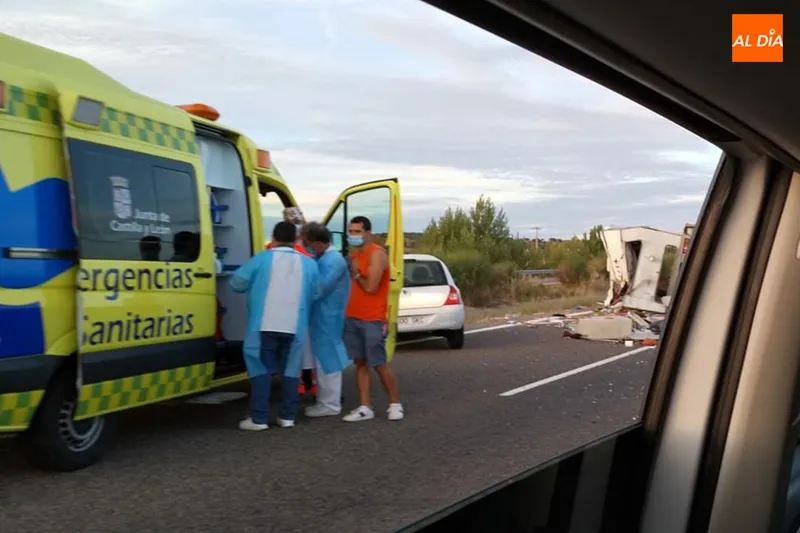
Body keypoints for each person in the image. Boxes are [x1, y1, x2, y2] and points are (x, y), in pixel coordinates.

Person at [230, 221, 319, 431]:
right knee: (291, 371)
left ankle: (258, 419)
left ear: (273, 238)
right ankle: (287, 417)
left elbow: (236, 283)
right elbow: (315, 293)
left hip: (264, 325)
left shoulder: (260, 259)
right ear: (295, 239)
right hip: (295, 326)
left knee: (261, 370)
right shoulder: (309, 264)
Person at [341, 215, 404, 422]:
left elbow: (371, 288)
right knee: (360, 363)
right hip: (353, 316)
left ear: (368, 233)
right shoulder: (356, 255)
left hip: (373, 318)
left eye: (357, 231)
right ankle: (365, 406)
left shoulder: (377, 254)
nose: (353, 235)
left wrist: (356, 273)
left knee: (378, 363)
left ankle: (395, 403)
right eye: (351, 231)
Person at [302, 222, 352, 417]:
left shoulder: (332, 261)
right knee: (323, 360)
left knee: (328, 361)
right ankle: (325, 401)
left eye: (307, 243)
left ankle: (330, 404)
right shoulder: (324, 258)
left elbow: (319, 288)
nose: (306, 247)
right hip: (323, 317)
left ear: (317, 242)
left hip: (328, 317)